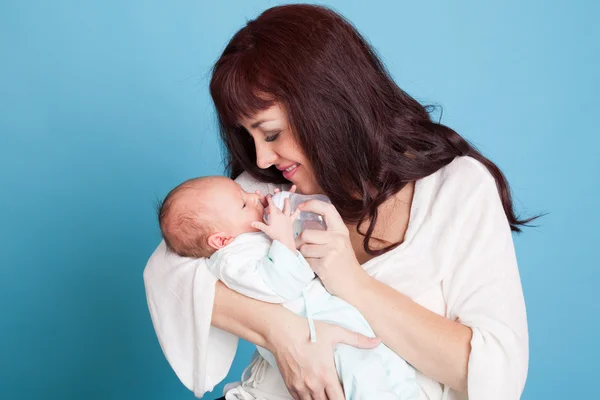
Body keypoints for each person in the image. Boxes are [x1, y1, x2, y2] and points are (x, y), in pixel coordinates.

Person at [144, 4, 531, 400]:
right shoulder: (262, 195)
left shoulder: (455, 190)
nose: (260, 159)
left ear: (327, 108)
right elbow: (166, 272)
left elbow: (497, 374)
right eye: (249, 137)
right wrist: (283, 333)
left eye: (272, 134)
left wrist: (350, 280)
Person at [157, 175, 420, 399]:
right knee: (366, 381)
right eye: (244, 203)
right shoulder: (230, 262)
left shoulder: (248, 237)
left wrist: (288, 211)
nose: (255, 196)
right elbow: (280, 285)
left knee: (391, 375)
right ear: (221, 239)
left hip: (335, 324)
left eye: (246, 192)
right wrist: (283, 237)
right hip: (320, 344)